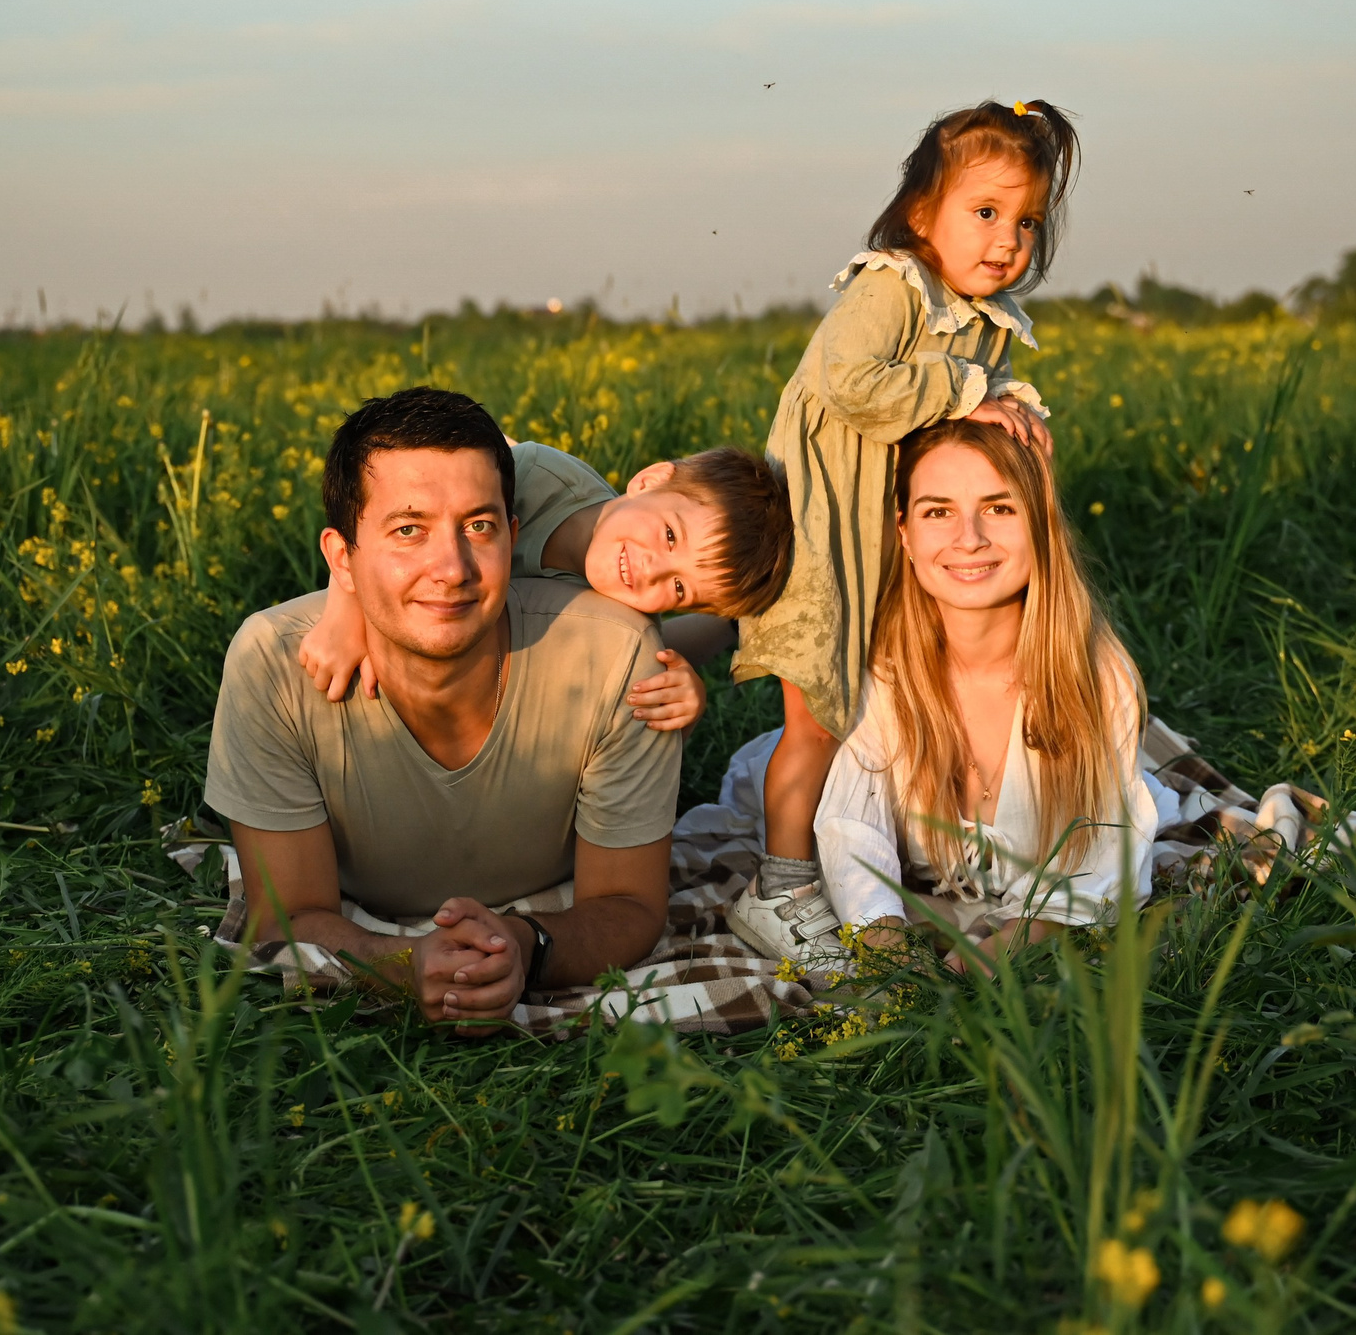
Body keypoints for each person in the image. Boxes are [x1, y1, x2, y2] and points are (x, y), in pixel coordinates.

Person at [203, 387, 682, 1031]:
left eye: (478, 526)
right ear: (342, 558)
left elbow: (628, 903)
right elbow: (284, 913)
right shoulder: (273, 664)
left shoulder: (619, 657)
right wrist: (403, 964)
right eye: (409, 530)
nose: (452, 568)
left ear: (513, 539)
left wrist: (523, 947)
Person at [728, 99, 1078, 961]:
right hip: (817, 542)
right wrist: (971, 391)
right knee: (815, 721)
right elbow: (853, 382)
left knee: (863, 717)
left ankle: (877, 850)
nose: (1008, 240)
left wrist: (1006, 412)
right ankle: (778, 889)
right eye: (986, 212)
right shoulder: (892, 286)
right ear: (923, 213)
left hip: (876, 545)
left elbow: (959, 423)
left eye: (1026, 221)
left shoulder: (979, 322)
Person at [815, 417, 1160, 963]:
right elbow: (850, 832)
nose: (970, 539)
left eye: (1000, 508)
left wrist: (1010, 946)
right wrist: (888, 945)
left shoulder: (1094, 676)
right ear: (903, 532)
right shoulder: (882, 671)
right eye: (938, 511)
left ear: (1040, 524)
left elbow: (1107, 856)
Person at [297, 440, 792, 732]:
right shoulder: (536, 476)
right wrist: (344, 610)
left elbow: (650, 664)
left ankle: (729, 623)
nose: (650, 569)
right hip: (428, 600)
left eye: (680, 588)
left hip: (492, 667)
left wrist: (682, 693)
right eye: (667, 536)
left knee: (648, 649)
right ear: (649, 480)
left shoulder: (630, 610)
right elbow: (385, 503)